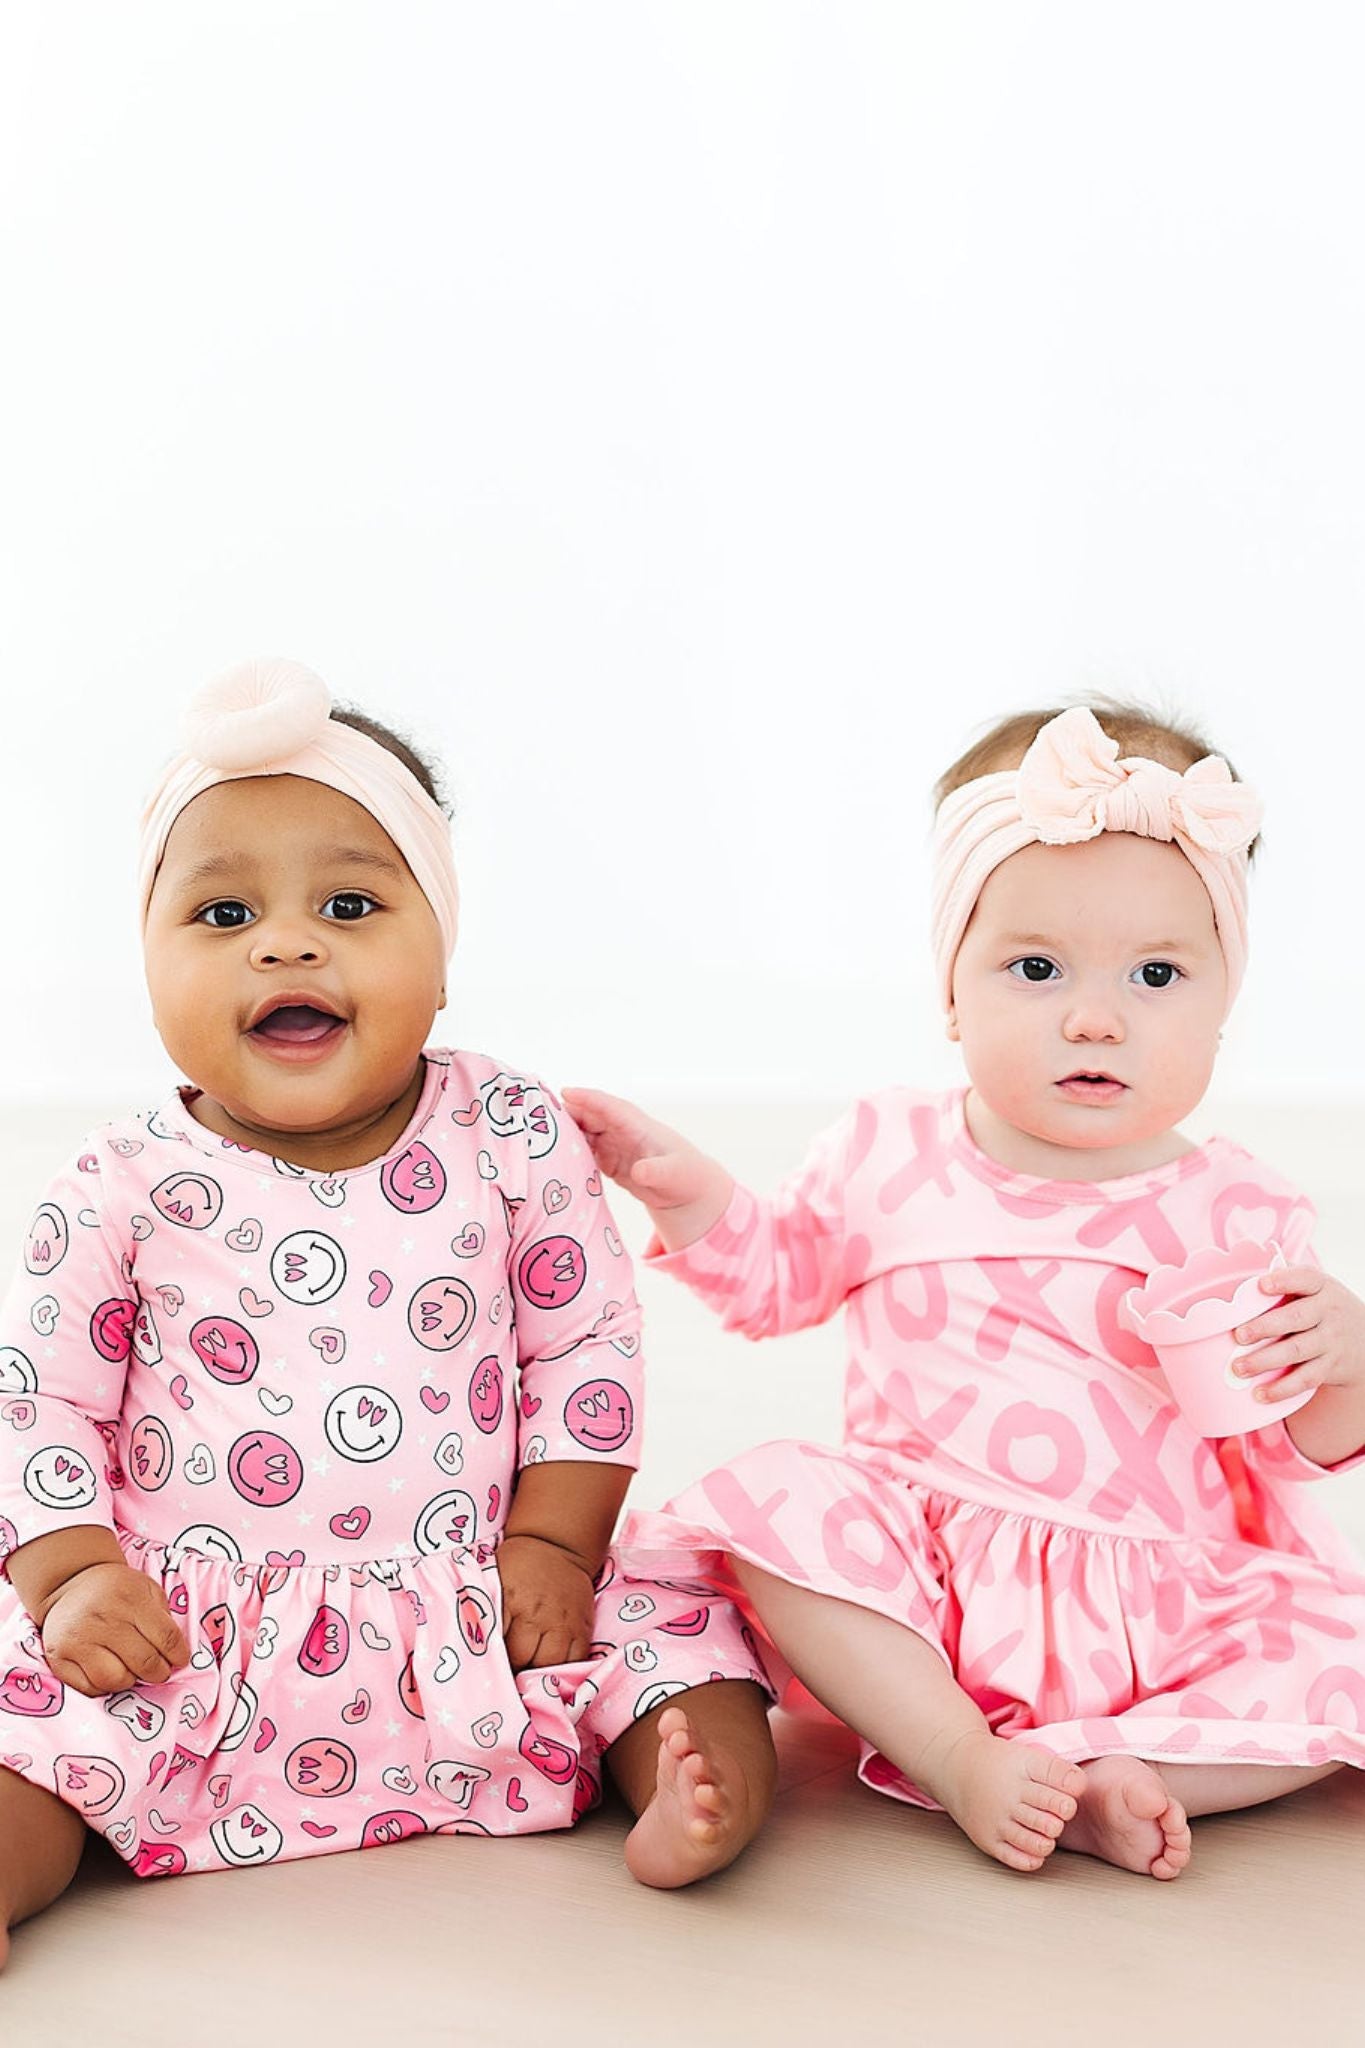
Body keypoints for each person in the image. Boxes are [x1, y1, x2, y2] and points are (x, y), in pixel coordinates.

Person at [0, 657, 777, 1959]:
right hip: (191, 1623)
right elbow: (38, 1402)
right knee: (43, 1715)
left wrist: (557, 1543)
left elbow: (585, 1345)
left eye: (351, 904)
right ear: (144, 962)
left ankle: (698, 1792)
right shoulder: (117, 1183)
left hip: (481, 1593)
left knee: (680, 1635)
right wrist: (77, 1574)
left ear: (443, 954)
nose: (285, 943)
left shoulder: (509, 1128)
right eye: (223, 913)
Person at [567, 701, 1365, 1882]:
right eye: (1035, 968)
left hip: (1154, 1601)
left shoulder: (1239, 1209)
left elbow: (1291, 1446)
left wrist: (1346, 1361)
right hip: (926, 1580)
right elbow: (777, 1278)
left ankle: (1108, 1768)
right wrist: (687, 1192)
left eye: (1156, 974)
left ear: (1223, 1005)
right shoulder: (892, 1150)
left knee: (1341, 1657)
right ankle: (957, 1750)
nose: (1095, 1016)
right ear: (951, 991)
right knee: (774, 1501)